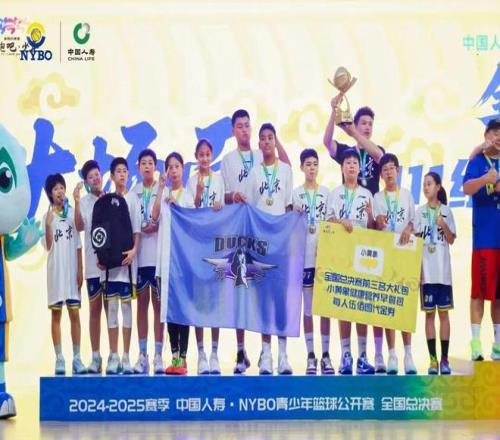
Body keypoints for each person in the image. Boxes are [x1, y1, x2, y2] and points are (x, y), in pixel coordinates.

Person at [221, 109, 290, 374]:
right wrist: (233, 197)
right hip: (242, 234)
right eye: (239, 126)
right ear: (233, 130)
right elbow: (222, 195)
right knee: (242, 292)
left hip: (272, 237)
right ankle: (241, 352)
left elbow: (286, 168)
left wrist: (275, 139)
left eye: (248, 125)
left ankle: (271, 352)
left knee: (273, 294)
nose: (244, 130)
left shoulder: (264, 155)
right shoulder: (228, 160)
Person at [323, 98, 386, 364]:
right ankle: (346, 354)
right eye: (363, 123)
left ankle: (367, 354)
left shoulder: (376, 151)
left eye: (371, 124)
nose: (368, 127)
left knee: (365, 296)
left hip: (369, 228)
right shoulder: (347, 153)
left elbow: (380, 157)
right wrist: (333, 112)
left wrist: (353, 133)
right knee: (344, 296)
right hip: (344, 232)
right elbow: (327, 142)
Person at [245, 123, 293, 375]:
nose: (266, 142)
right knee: (263, 299)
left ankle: (283, 354)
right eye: (262, 138)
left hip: (281, 244)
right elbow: (250, 211)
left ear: (275, 141)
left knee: (280, 299)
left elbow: (288, 207)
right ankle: (266, 354)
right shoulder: (254, 173)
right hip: (260, 246)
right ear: (259, 144)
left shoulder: (285, 170)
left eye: (270, 138)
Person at [326, 149, 375, 375]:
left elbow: (373, 229)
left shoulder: (367, 194)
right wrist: (340, 221)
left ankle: (363, 356)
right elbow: (327, 221)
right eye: (348, 162)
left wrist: (372, 216)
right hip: (341, 254)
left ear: (360, 168)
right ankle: (346, 355)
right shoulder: (335, 193)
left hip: (363, 256)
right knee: (344, 305)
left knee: (361, 305)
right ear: (342, 168)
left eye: (355, 162)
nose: (352, 166)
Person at [373, 153, 417, 375]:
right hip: (385, 257)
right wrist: (377, 222)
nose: (389, 172)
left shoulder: (407, 195)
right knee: (387, 305)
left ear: (398, 171)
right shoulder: (377, 198)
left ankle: (408, 354)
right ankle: (391, 354)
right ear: (381, 175)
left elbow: (414, 221)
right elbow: (373, 226)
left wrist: (408, 228)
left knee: (404, 305)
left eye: (392, 168)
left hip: (405, 256)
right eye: (385, 170)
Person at [152, 152, 195, 375]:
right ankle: (174, 355)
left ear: (183, 169)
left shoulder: (187, 197)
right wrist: (161, 188)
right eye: (170, 167)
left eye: (177, 166)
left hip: (182, 262)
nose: (174, 170)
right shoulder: (163, 194)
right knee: (168, 310)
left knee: (183, 310)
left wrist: (177, 206)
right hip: (165, 262)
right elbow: (154, 216)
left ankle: (184, 357)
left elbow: (192, 225)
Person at [292, 148, 333, 375]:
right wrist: (293, 212)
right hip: (303, 258)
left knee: (324, 307)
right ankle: (311, 355)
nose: (312, 168)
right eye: (308, 164)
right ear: (301, 167)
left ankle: (326, 354)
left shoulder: (326, 193)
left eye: (315, 164)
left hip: (323, 259)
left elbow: (331, 223)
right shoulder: (295, 194)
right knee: (307, 309)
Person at [463, 118, 500, 361]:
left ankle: (497, 344)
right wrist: (485, 180)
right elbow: (466, 188)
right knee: (478, 293)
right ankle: (476, 343)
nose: (498, 137)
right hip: (484, 239)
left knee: (499, 296)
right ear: (486, 135)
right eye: (495, 132)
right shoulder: (477, 162)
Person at [187, 139, 225, 375]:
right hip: (198, 246)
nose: (204, 158)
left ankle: (214, 354)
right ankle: (200, 353)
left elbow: (224, 209)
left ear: (212, 156)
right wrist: (199, 195)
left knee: (215, 301)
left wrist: (221, 204)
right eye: (201, 154)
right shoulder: (191, 181)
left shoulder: (219, 179)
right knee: (199, 301)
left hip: (216, 245)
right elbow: (191, 212)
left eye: (208, 154)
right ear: (196, 156)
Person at [42, 173, 86, 375]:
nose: (59, 191)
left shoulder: (72, 214)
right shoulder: (47, 217)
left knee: (74, 313)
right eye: (55, 189)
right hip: (56, 273)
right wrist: (47, 225)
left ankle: (77, 358)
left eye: (61, 187)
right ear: (50, 194)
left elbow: (78, 244)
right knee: (56, 314)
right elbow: (48, 246)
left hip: (71, 272)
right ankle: (59, 358)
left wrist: (80, 269)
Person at [103, 158, 141, 374]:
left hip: (127, 264)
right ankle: (113, 355)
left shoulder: (133, 198)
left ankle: (126, 356)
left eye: (125, 171)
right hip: (110, 266)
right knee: (111, 308)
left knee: (126, 308)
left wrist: (134, 250)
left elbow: (137, 229)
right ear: (111, 176)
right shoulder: (106, 201)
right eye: (118, 171)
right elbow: (101, 232)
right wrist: (102, 257)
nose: (122, 174)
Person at [415, 172, 456, 374]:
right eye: (424, 184)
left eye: (429, 184)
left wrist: (443, 224)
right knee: (429, 316)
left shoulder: (447, 211)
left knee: (444, 315)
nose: (426, 187)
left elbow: (451, 239)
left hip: (443, 273)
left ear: (438, 187)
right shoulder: (419, 212)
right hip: (427, 274)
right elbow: (415, 242)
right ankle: (433, 360)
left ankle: (445, 360)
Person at [131, 149, 164, 375]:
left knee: (158, 306)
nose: (147, 166)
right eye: (143, 163)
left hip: (158, 257)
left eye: (150, 163)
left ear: (155, 166)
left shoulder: (163, 190)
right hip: (141, 257)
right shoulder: (133, 193)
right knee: (141, 305)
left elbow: (164, 218)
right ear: (138, 167)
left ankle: (159, 355)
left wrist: (157, 224)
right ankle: (142, 354)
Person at [73, 160, 106, 374]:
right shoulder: (84, 202)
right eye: (91, 177)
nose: (95, 179)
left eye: (97, 174)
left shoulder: (111, 199)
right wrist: (76, 202)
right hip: (93, 266)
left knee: (112, 310)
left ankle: (115, 355)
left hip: (111, 266)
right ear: (86, 182)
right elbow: (79, 226)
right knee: (94, 310)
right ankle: (95, 356)